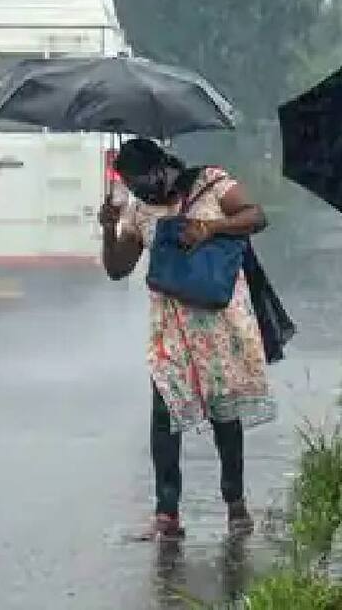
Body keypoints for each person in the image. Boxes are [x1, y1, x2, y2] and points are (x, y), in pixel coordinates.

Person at [99, 138, 275, 540]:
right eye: (132, 185)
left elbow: (256, 216)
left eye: (143, 181)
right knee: (164, 415)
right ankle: (167, 515)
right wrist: (110, 229)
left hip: (219, 323)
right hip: (170, 328)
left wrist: (211, 227)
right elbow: (117, 269)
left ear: (162, 169)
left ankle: (235, 504)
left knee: (224, 414)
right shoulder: (140, 210)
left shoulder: (212, 185)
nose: (141, 191)